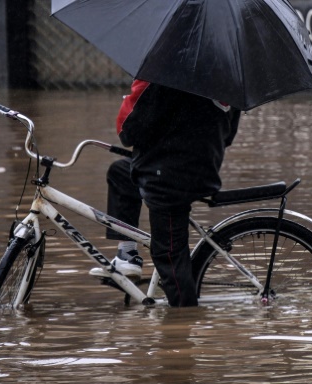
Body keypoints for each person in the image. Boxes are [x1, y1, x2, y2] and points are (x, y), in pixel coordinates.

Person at [90, 79, 240, 307]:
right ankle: (127, 254)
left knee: (168, 256)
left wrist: (134, 95)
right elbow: (228, 136)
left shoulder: (165, 72)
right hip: (202, 165)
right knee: (121, 172)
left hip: (170, 176)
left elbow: (128, 131)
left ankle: (183, 326)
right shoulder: (228, 76)